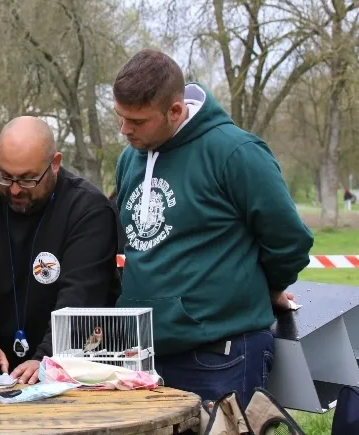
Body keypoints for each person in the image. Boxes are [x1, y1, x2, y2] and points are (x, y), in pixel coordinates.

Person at [111, 49, 313, 408]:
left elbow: (289, 240)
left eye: (137, 121)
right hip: (145, 357)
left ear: (175, 111)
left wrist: (269, 288)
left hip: (222, 356)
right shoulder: (130, 159)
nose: (125, 130)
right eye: (120, 117)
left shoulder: (235, 152)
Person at [0, 117, 121, 384]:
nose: (15, 189)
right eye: (5, 176)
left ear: (55, 163)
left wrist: (48, 357)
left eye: (28, 179)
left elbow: (81, 293)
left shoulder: (88, 210)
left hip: (67, 367)